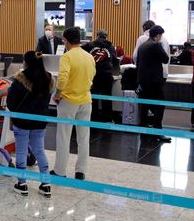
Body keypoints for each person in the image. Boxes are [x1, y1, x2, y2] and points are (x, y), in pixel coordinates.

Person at [8, 51, 54, 196]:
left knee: (21, 151)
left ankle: (22, 183)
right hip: (40, 121)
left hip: (22, 121)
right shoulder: (48, 78)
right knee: (39, 150)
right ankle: (46, 184)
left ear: (26, 62)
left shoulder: (20, 79)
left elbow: (11, 102)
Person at [53, 27, 96, 179]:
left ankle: (60, 171)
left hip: (68, 101)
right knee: (84, 138)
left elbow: (62, 78)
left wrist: (57, 94)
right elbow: (92, 75)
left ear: (66, 41)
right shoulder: (89, 56)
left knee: (64, 136)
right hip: (86, 100)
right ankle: (81, 171)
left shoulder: (67, 57)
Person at [136, 25, 171, 142]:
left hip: (143, 80)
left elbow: (138, 62)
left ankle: (143, 129)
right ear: (158, 35)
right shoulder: (156, 45)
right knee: (160, 105)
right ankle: (157, 131)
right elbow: (165, 59)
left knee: (144, 105)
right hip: (154, 81)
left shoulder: (142, 45)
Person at [84, 30, 119, 122]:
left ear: (97, 35)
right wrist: (116, 73)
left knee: (93, 97)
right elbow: (115, 60)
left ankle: (93, 117)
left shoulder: (90, 45)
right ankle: (107, 119)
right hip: (107, 75)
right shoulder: (111, 46)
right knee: (107, 98)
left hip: (93, 74)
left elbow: (80, 51)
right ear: (106, 36)